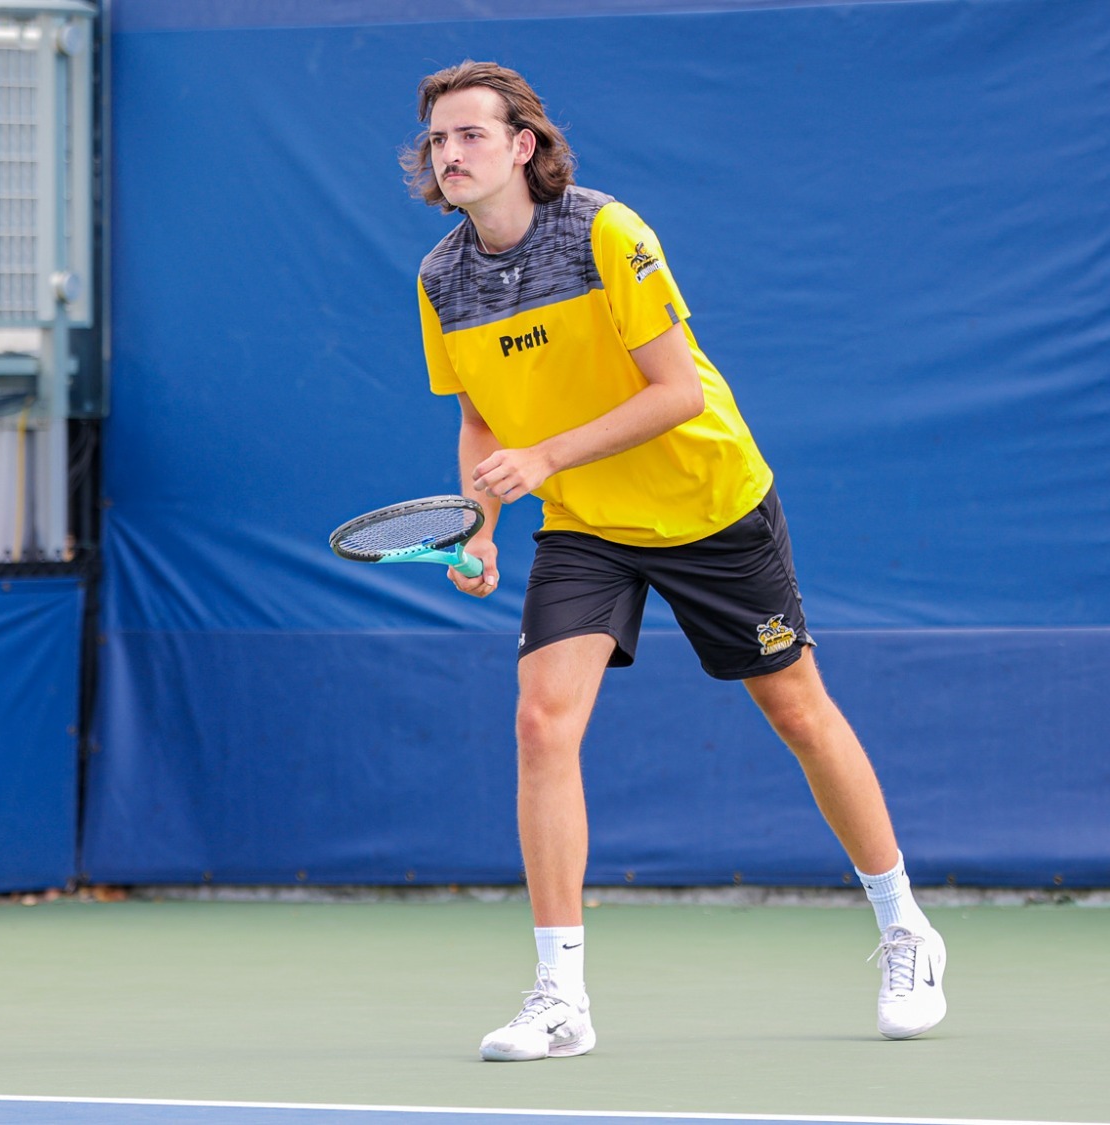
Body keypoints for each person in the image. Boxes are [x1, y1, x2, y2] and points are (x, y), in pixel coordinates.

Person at [403, 60, 946, 1061]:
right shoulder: (442, 278)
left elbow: (675, 394)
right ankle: (559, 996)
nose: (449, 154)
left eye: (469, 135)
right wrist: (479, 526)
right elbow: (482, 419)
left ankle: (904, 927)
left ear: (522, 145)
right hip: (583, 525)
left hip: (706, 505)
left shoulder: (607, 232)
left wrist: (548, 456)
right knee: (539, 724)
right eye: (436, 140)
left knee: (796, 712)